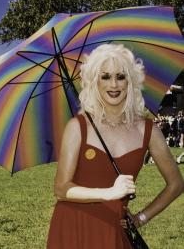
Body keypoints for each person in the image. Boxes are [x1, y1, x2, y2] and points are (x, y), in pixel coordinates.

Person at [47, 44, 184, 249]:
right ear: (95, 82)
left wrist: (141, 218)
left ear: (131, 82)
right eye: (105, 77)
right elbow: (61, 188)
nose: (114, 84)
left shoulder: (148, 130)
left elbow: (176, 184)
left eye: (121, 77)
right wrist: (108, 193)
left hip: (114, 229)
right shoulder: (77, 127)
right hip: (72, 227)